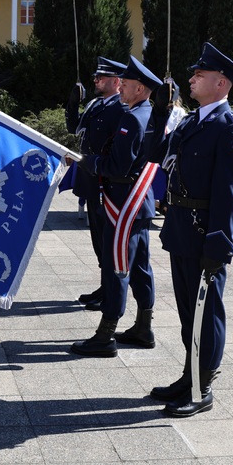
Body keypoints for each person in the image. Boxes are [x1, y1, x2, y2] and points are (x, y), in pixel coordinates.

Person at [148, 42, 233, 417]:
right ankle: (189, 374)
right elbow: (154, 156)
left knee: (206, 314)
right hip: (180, 228)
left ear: (221, 84)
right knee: (187, 312)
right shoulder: (193, 121)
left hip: (205, 234)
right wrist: (160, 112)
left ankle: (202, 386)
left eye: (199, 75)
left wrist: (219, 242)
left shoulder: (230, 128)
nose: (191, 79)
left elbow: (232, 192)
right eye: (193, 74)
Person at [71, 56, 161, 358]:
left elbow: (117, 167)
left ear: (140, 89)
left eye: (127, 84)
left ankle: (105, 334)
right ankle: (143, 327)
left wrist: (84, 161)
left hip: (123, 204)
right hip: (139, 202)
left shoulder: (133, 118)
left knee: (116, 268)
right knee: (139, 267)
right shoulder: (149, 114)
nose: (120, 88)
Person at [65, 57, 128, 311]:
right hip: (91, 182)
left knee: (107, 239)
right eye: (95, 77)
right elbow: (73, 127)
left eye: (101, 78)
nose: (95, 81)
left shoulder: (122, 109)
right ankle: (105, 286)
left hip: (107, 184)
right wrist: (73, 102)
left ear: (115, 82)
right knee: (98, 241)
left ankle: (110, 290)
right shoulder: (94, 105)